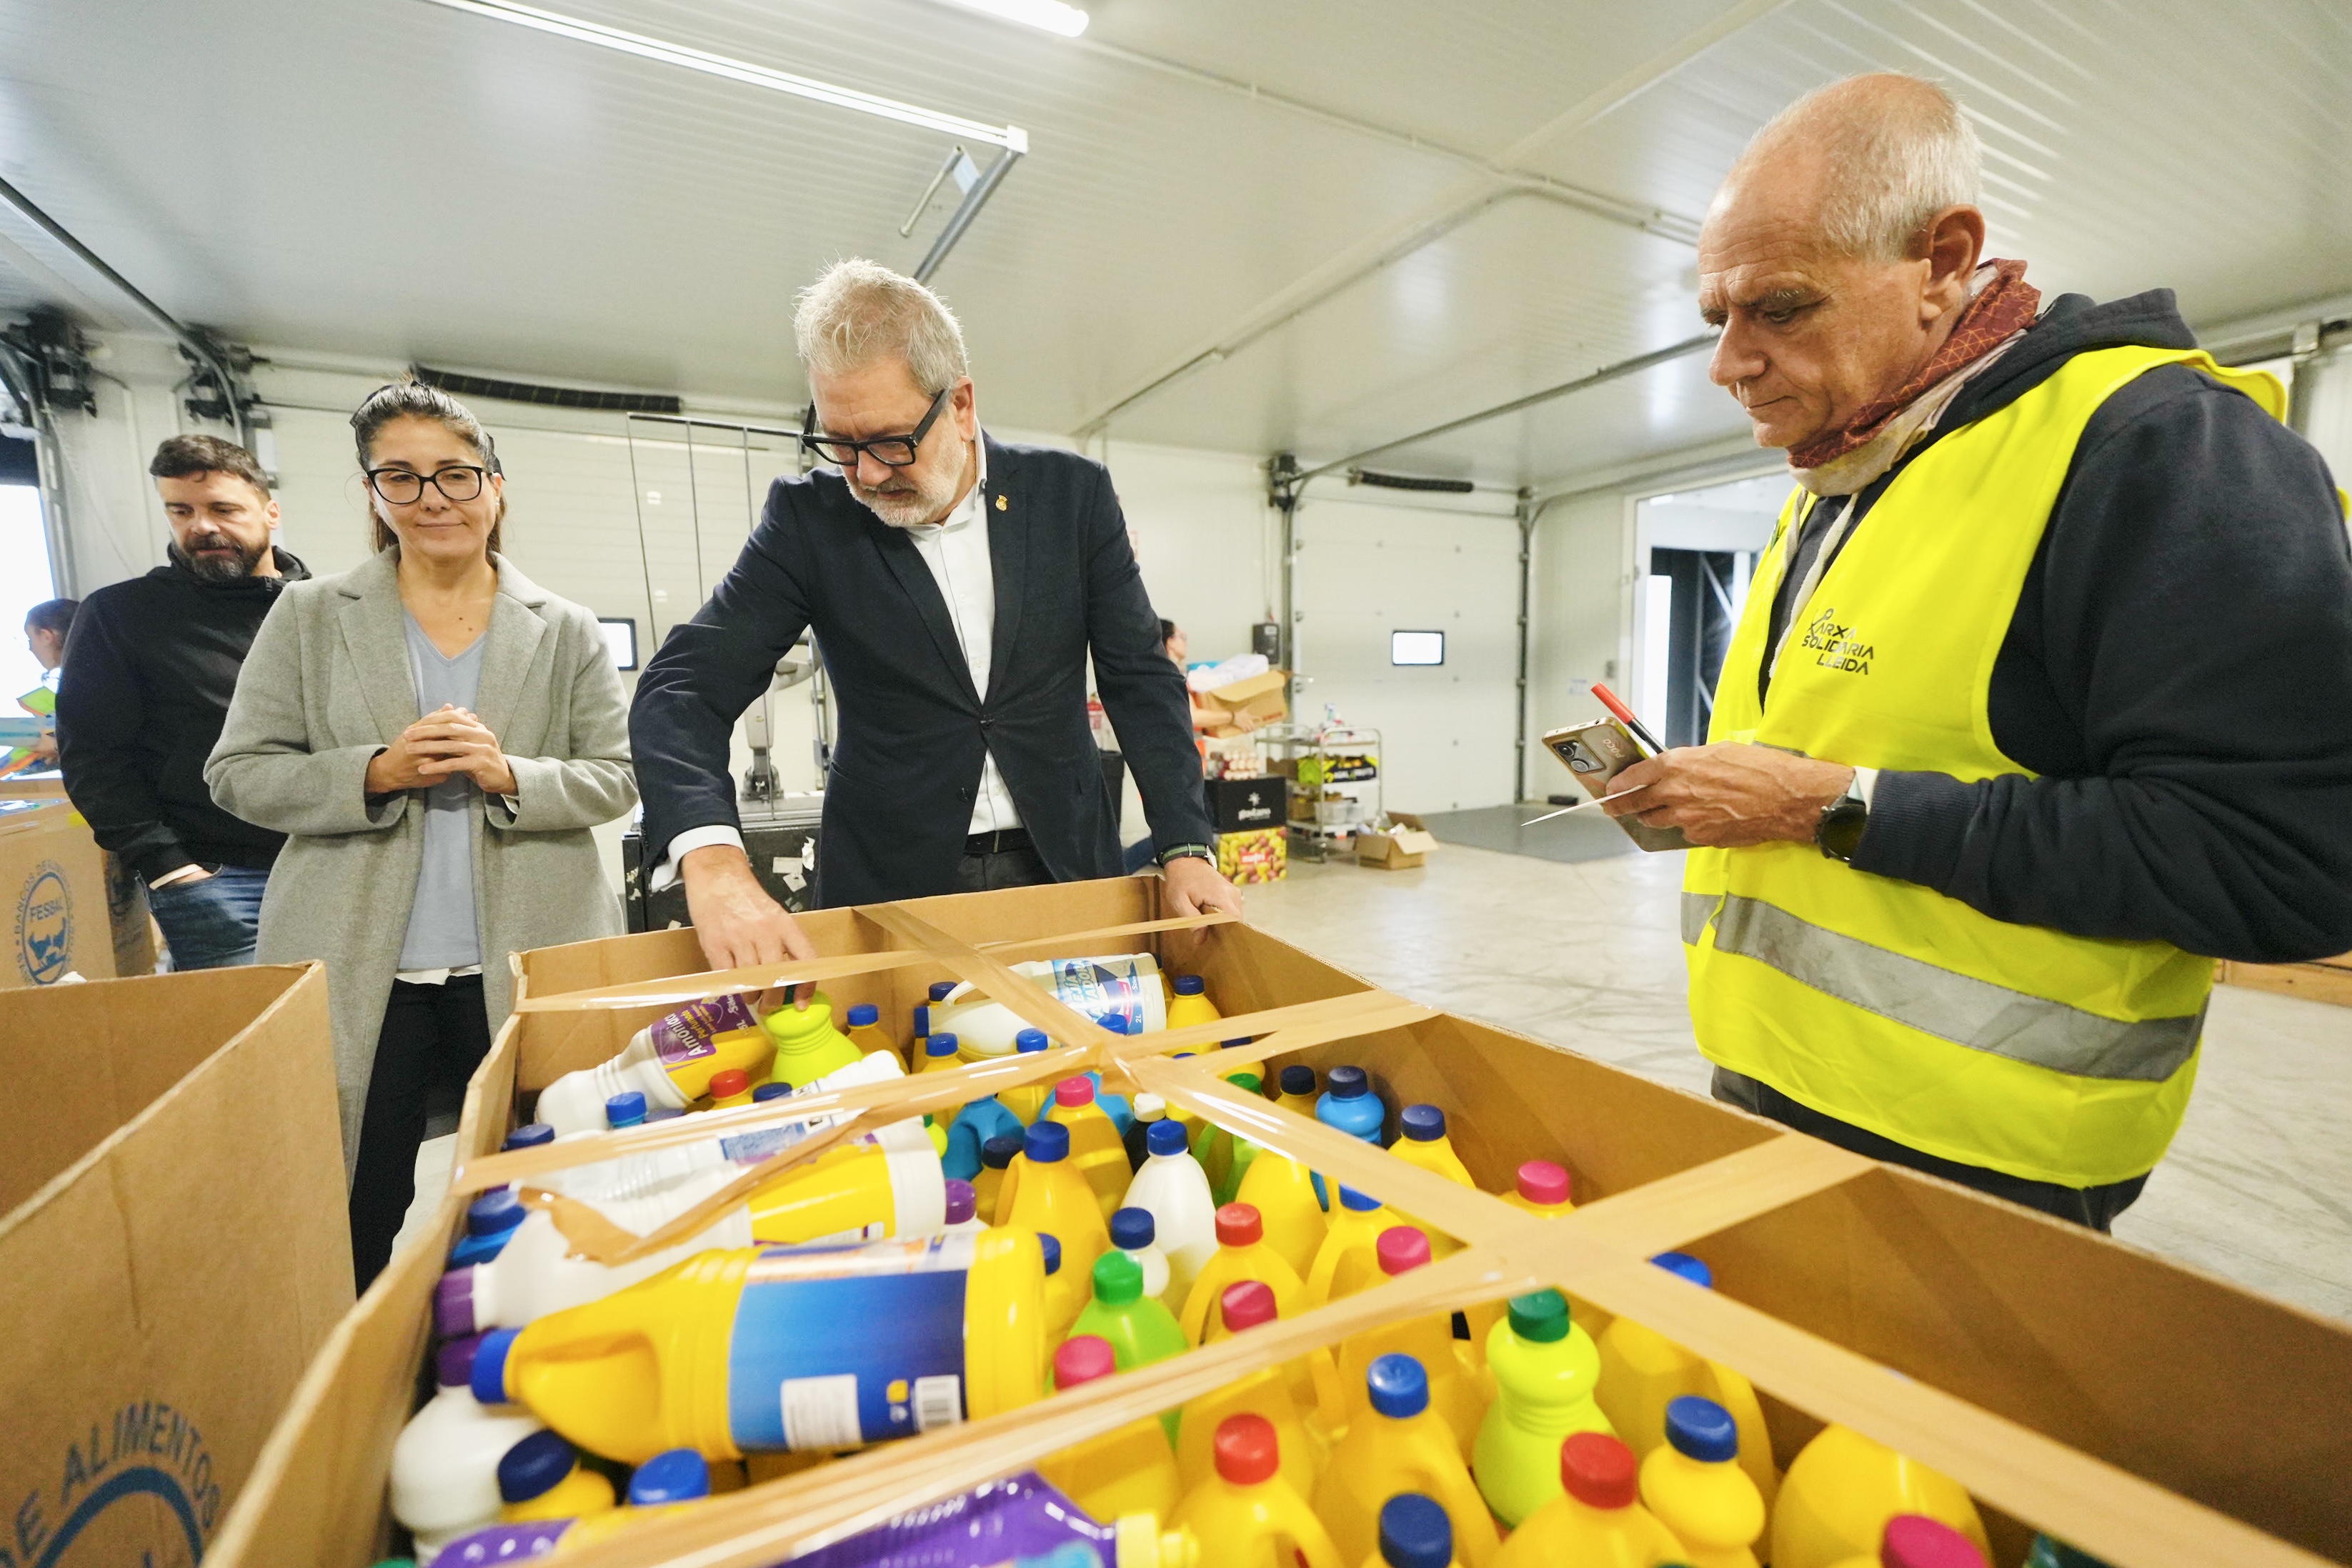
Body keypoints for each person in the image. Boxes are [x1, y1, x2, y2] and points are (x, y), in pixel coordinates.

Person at [1606, 74, 2352, 1232]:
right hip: (1767, 1083)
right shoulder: (1846, 475)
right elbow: (1861, 740)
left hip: (1982, 1159)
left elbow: (2281, 861)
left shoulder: (2161, 451)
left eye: (1781, 308)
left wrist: (1831, 809)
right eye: (1719, 319)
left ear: (1943, 260)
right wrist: (1717, 793)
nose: (1729, 364)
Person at [632, 259, 1241, 976]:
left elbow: (1140, 677)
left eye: (890, 442)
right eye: (840, 444)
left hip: (1064, 869)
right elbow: (682, 689)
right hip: (892, 888)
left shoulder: (1070, 497)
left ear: (959, 405)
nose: (863, 474)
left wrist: (1185, 846)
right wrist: (714, 863)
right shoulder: (809, 521)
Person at [208, 379, 636, 1288]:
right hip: (366, 964)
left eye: (454, 472)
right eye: (400, 477)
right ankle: (353, 1395)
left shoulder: (562, 629)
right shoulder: (311, 615)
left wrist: (511, 774)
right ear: (372, 494)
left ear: (496, 484)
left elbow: (617, 776)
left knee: (543, 1195)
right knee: (353, 1209)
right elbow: (238, 772)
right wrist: (373, 771)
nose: (433, 496)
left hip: (525, 962)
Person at [56, 436, 309, 969]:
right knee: (251, 1044)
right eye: (181, 510)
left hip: (333, 864)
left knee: (365, 1040)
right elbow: (94, 755)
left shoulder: (321, 607)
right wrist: (168, 865)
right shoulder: (121, 614)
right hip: (219, 881)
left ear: (270, 510)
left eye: (223, 508)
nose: (203, 527)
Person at [17, 597, 75, 766]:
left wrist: (54, 746)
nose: (31, 648)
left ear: (45, 636)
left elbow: (102, 739)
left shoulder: (82, 683)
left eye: (30, 639)